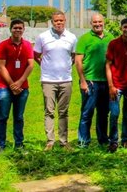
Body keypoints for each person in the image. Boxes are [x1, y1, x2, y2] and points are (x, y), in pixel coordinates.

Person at [34, 10, 77, 150]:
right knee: (49, 111)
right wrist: (45, 66)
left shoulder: (71, 37)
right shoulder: (43, 37)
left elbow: (74, 56)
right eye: (56, 21)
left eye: (61, 20)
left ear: (65, 21)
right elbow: (36, 55)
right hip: (48, 80)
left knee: (64, 112)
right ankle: (50, 141)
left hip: (66, 80)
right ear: (51, 22)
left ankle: (64, 141)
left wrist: (66, 67)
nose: (59, 23)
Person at [75, 12, 114, 148]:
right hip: (90, 81)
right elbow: (78, 61)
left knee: (104, 113)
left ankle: (103, 140)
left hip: (106, 82)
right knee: (87, 112)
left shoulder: (110, 37)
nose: (98, 24)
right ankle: (83, 141)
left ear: (103, 22)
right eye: (95, 22)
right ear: (90, 23)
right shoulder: (84, 39)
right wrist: (83, 81)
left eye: (100, 22)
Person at [0, 18, 34, 152]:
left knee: (18, 117)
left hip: (22, 88)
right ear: (10, 29)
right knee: (3, 116)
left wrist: (20, 82)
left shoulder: (28, 45)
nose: (17, 30)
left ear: (23, 30)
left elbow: (31, 65)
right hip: (4, 87)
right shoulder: (3, 45)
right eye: (15, 28)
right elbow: (0, 66)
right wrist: (12, 84)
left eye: (20, 28)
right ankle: (0, 145)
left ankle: (19, 144)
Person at [105, 18, 127, 152]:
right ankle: (113, 141)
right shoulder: (113, 44)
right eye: (125, 27)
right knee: (114, 114)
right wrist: (111, 85)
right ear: (121, 28)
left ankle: (125, 140)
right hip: (116, 85)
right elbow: (108, 64)